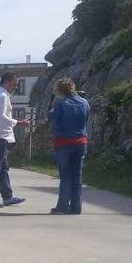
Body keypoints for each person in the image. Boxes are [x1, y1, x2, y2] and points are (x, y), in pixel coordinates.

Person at [0, 72, 31, 207]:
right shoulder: (1, 96)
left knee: (2, 168)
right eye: (14, 84)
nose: (15, 87)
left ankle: (7, 196)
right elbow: (0, 117)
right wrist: (18, 122)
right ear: (6, 82)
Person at [48, 78, 89, 214]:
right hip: (80, 141)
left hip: (63, 142)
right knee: (77, 175)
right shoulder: (84, 102)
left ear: (59, 90)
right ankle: (76, 207)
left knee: (65, 175)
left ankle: (63, 206)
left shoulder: (60, 103)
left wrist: (52, 104)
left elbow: (52, 118)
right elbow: (86, 119)